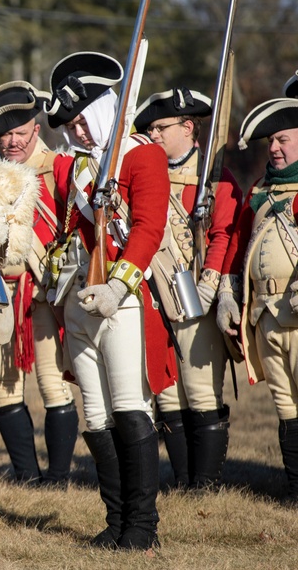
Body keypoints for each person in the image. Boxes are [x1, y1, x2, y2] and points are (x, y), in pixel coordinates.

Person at [45, 52, 175, 550]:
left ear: (102, 110)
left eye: (82, 119)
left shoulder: (140, 156)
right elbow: (67, 234)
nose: (77, 131)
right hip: (79, 295)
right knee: (95, 414)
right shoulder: (73, 169)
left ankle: (142, 527)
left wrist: (117, 286)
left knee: (128, 407)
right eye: (70, 124)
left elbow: (147, 227)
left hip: (123, 298)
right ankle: (116, 518)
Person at [0, 81, 81, 487]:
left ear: (37, 129)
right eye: (5, 134)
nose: (12, 141)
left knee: (54, 385)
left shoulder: (61, 169)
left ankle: (59, 477)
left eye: (20, 132)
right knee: (3, 389)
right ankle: (26, 476)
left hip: (44, 293)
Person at [133, 89, 241, 489]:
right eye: (150, 128)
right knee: (168, 394)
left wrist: (210, 286)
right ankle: (182, 479)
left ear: (188, 127)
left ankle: (205, 483)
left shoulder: (214, 177)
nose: (154, 135)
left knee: (199, 391)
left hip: (197, 293)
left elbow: (224, 234)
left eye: (161, 128)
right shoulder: (148, 173)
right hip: (154, 294)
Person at [217, 96, 298, 504]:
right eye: (271, 143)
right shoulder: (261, 191)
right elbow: (236, 246)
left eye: (283, 139)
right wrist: (229, 296)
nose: (276, 149)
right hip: (266, 312)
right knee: (284, 405)